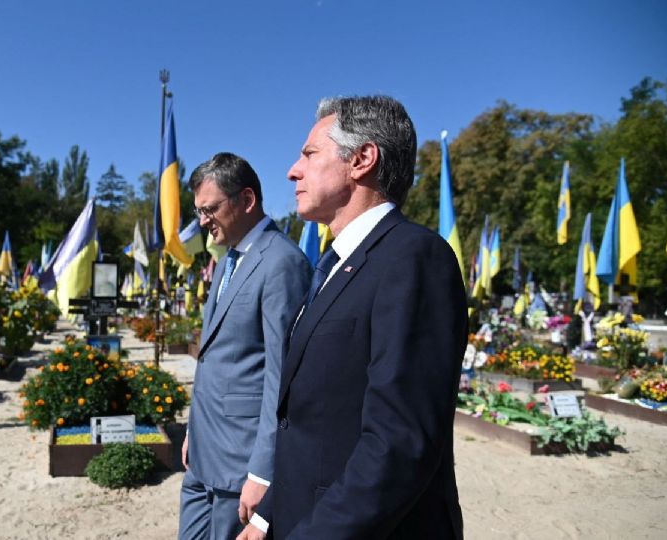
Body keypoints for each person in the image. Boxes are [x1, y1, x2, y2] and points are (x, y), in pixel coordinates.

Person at [241, 96, 467, 539]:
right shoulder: (334, 266)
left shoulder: (413, 258)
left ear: (361, 160)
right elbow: (312, 424)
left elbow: (398, 444)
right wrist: (269, 517)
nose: (293, 170)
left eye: (309, 154)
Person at [180, 152, 311, 539]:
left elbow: (283, 377)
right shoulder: (227, 259)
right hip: (203, 453)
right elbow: (216, 361)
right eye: (199, 211)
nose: (203, 220)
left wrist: (262, 471)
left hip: (240, 467)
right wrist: (194, 431)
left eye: (211, 209)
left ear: (247, 200)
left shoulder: (281, 263)